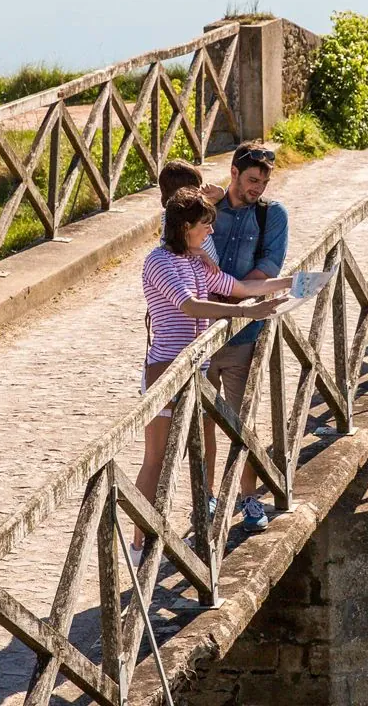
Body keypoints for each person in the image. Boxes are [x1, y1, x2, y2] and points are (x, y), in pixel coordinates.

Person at [136, 188, 290, 562]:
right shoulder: (158, 262)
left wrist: (290, 283)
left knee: (184, 456)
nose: (210, 232)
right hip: (166, 370)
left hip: (196, 371)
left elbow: (240, 287)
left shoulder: (196, 261)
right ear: (185, 226)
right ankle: (140, 545)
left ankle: (169, 536)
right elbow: (190, 306)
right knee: (156, 458)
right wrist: (245, 313)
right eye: (205, 224)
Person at [204, 142, 288, 532]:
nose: (258, 188)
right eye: (253, 179)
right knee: (201, 421)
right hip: (199, 335)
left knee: (243, 421)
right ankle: (206, 495)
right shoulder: (206, 209)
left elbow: (268, 269)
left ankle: (248, 496)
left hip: (244, 333)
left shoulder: (272, 215)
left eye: (264, 182)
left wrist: (227, 297)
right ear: (233, 173)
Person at [158, 159, 225, 270]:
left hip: (210, 270)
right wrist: (202, 253)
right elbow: (171, 247)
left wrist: (220, 193)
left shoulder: (194, 210)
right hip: (198, 274)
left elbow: (212, 203)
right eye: (196, 189)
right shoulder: (170, 219)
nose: (200, 191)